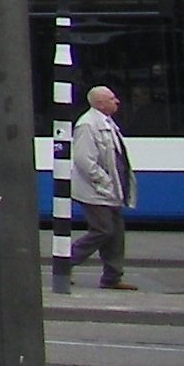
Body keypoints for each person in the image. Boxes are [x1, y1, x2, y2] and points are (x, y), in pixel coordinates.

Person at [63, 85, 138, 293]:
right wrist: (104, 182)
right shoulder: (87, 125)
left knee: (115, 234)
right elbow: (83, 160)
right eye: (112, 98)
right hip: (94, 192)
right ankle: (65, 262)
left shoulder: (107, 123)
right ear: (99, 103)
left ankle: (112, 277)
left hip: (110, 191)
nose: (117, 101)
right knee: (103, 230)